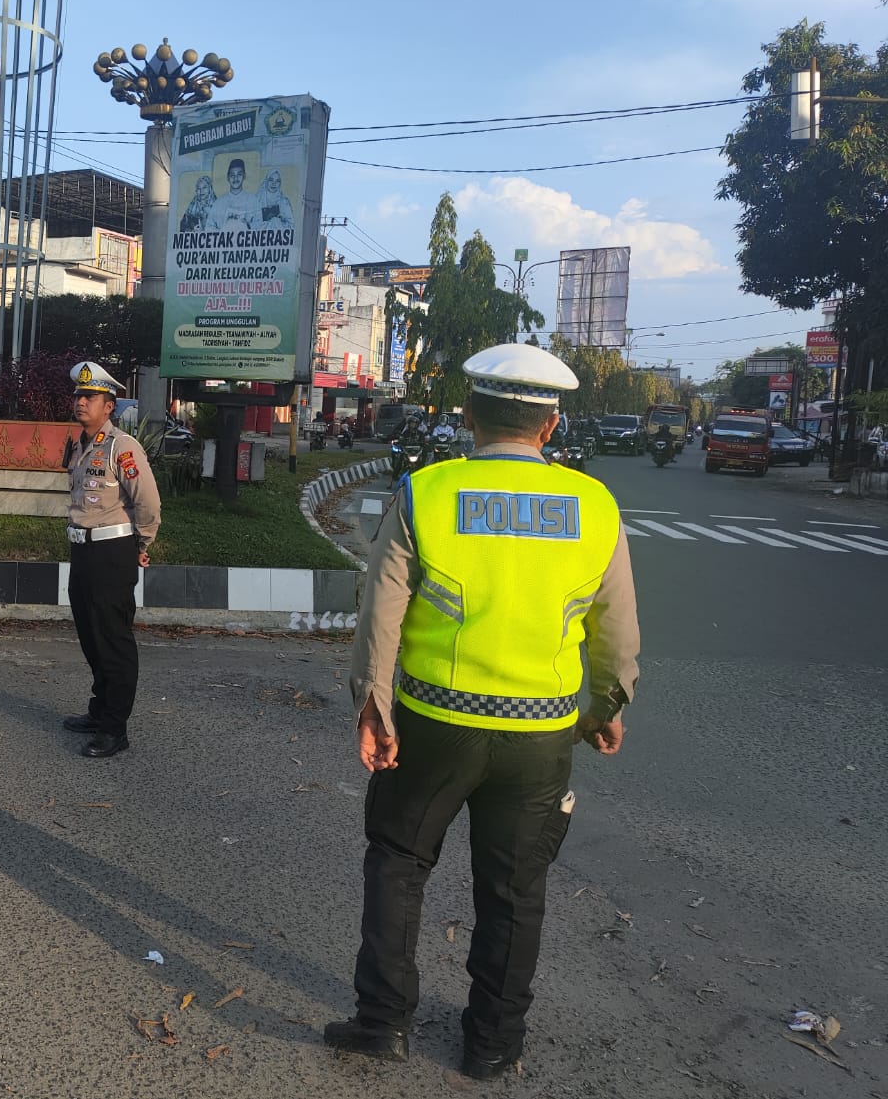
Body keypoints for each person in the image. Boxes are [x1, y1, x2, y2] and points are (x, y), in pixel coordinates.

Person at [325, 342, 641, 1080]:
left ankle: (383, 1023)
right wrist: (607, 703)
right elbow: (616, 627)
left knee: (400, 862)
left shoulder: (427, 492)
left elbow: (381, 611)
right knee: (514, 890)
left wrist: (373, 704)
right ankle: (492, 1042)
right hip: (541, 737)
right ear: (551, 426)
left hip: (434, 726)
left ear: (468, 415)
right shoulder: (594, 505)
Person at [59, 362, 162, 759]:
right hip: (82, 550)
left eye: (91, 397)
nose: (81, 402)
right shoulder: (80, 445)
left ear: (109, 406)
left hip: (112, 553)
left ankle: (114, 729)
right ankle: (99, 711)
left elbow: (147, 502)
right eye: (78, 396)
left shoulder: (123, 446)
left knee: (113, 641)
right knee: (90, 636)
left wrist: (143, 542)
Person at [205, 158, 259, 232]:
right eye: (232, 175)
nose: (235, 178)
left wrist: (247, 225)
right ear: (227, 177)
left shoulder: (253, 201)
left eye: (239, 174)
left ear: (244, 176)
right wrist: (223, 230)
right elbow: (209, 227)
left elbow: (260, 226)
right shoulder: (219, 202)